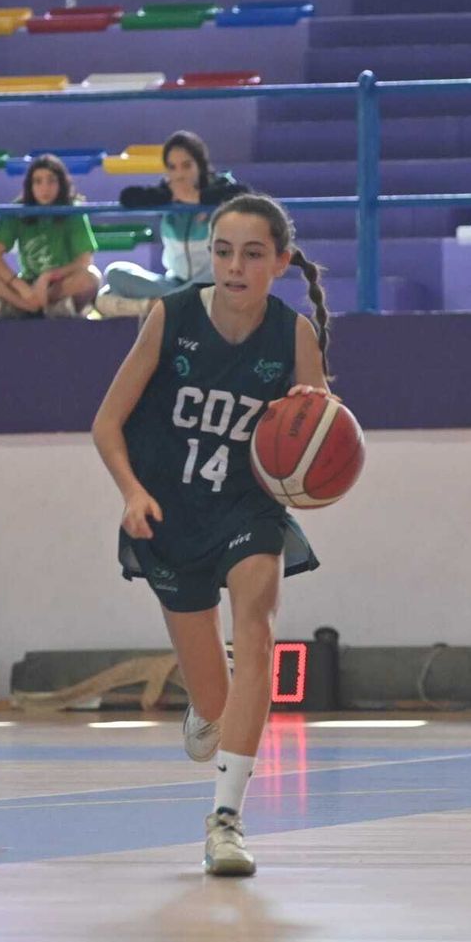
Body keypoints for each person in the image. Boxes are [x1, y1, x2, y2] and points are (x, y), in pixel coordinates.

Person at [91, 194, 330, 877]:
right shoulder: (171, 316)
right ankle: (206, 701)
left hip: (246, 508)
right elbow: (106, 425)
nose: (234, 265)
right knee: (217, 709)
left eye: (253, 254)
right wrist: (132, 493)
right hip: (168, 512)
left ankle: (226, 821)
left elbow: (314, 438)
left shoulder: (294, 336)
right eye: (223, 251)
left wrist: (316, 469)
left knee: (256, 631)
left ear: (280, 263)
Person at [95, 130, 248, 318]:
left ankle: (159, 307)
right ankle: (176, 304)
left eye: (186, 166)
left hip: (210, 281)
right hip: (174, 282)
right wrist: (169, 197)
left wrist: (197, 199)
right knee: (115, 273)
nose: (179, 174)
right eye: (172, 167)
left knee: (221, 277)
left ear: (200, 165)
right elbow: (128, 197)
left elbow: (244, 196)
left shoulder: (220, 189)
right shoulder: (166, 193)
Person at [0, 154, 101, 320]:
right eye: (38, 181)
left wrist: (48, 277)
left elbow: (84, 261)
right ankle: (25, 306)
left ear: (61, 184)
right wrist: (22, 289)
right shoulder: (17, 210)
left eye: (51, 181)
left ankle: (40, 305)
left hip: (59, 285)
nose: (45, 188)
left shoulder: (73, 211)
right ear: (30, 186)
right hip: (25, 286)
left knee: (91, 278)